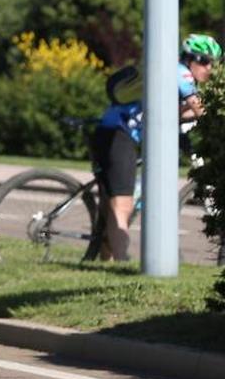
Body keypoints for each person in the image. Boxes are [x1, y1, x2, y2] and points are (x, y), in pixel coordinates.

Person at [92, 34, 220, 260]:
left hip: (117, 134)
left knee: (114, 203)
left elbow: (180, 112)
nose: (209, 68)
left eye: (213, 63)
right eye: (204, 61)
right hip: (117, 133)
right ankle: (121, 264)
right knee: (122, 203)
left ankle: (104, 260)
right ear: (190, 59)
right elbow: (198, 109)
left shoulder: (175, 79)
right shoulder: (180, 73)